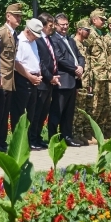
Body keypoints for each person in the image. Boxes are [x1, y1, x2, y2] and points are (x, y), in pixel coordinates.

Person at [0, 3, 23, 152]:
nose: (19, 18)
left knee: (5, 114)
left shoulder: (14, 34)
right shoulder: (1, 33)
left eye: (20, 16)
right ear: (8, 16)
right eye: (16, 15)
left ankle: (2, 142)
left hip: (10, 80)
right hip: (2, 79)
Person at [49, 13, 85, 146]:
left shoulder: (71, 40)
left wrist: (81, 66)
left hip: (73, 81)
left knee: (69, 112)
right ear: (55, 25)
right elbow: (59, 58)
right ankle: (53, 138)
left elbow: (80, 56)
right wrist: (75, 68)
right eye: (61, 25)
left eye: (66, 24)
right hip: (62, 80)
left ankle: (67, 136)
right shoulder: (53, 40)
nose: (64, 27)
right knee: (57, 111)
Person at [10, 18, 43, 145]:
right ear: (28, 31)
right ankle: (18, 141)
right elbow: (17, 63)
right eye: (34, 35)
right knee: (19, 112)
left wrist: (38, 73)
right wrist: (30, 76)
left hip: (34, 79)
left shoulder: (32, 42)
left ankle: (28, 139)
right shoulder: (20, 41)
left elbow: (35, 59)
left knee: (32, 112)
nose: (36, 38)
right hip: (23, 79)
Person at [29, 13, 58, 149]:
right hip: (41, 81)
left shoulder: (48, 39)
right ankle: (32, 139)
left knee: (43, 113)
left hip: (49, 83)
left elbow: (52, 59)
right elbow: (40, 62)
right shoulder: (38, 40)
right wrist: (49, 77)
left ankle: (38, 136)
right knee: (36, 112)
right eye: (50, 26)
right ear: (43, 26)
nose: (52, 28)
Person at [87, 8, 111, 137]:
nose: (104, 21)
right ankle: (89, 133)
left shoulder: (100, 34)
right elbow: (87, 54)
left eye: (105, 19)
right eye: (101, 19)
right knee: (93, 105)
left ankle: (97, 132)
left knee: (101, 105)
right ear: (94, 20)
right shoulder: (91, 34)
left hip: (104, 75)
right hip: (96, 74)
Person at [72, 19, 94, 144]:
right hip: (79, 82)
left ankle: (82, 134)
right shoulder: (74, 43)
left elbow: (89, 65)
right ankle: (75, 134)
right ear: (79, 30)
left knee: (84, 110)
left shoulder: (85, 45)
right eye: (86, 30)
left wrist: (90, 82)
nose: (88, 32)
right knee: (77, 110)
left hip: (87, 82)